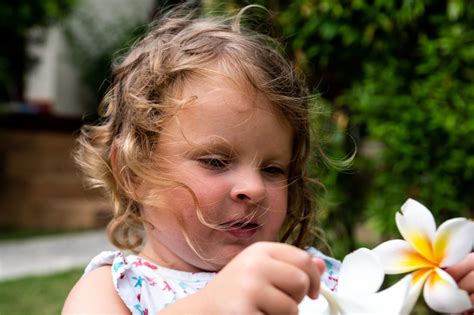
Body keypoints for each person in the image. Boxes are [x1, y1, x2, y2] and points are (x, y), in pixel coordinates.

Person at [62, 4, 474, 315]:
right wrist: (212, 305)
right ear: (131, 172)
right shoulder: (109, 292)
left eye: (274, 169)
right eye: (216, 161)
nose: (255, 188)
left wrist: (454, 301)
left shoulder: (317, 280)